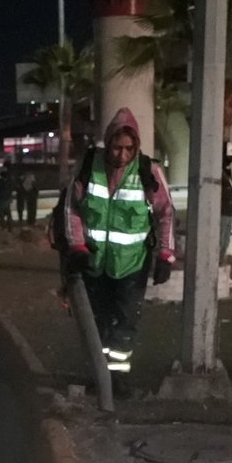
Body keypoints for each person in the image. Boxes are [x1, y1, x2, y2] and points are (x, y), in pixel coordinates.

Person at [62, 107, 176, 394]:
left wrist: (165, 255)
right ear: (108, 142)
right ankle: (99, 379)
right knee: (97, 323)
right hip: (93, 263)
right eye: (116, 147)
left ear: (136, 146)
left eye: (128, 149)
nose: (122, 155)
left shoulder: (149, 172)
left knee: (124, 325)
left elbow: (166, 214)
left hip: (132, 266)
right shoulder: (89, 167)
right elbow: (71, 210)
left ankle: (117, 381)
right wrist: (76, 247)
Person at [0, 167, 15, 231]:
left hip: (1, 200)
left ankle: (3, 226)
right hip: (7, 199)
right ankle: (10, 227)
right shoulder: (10, 182)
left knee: (1, 214)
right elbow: (11, 189)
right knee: (8, 214)